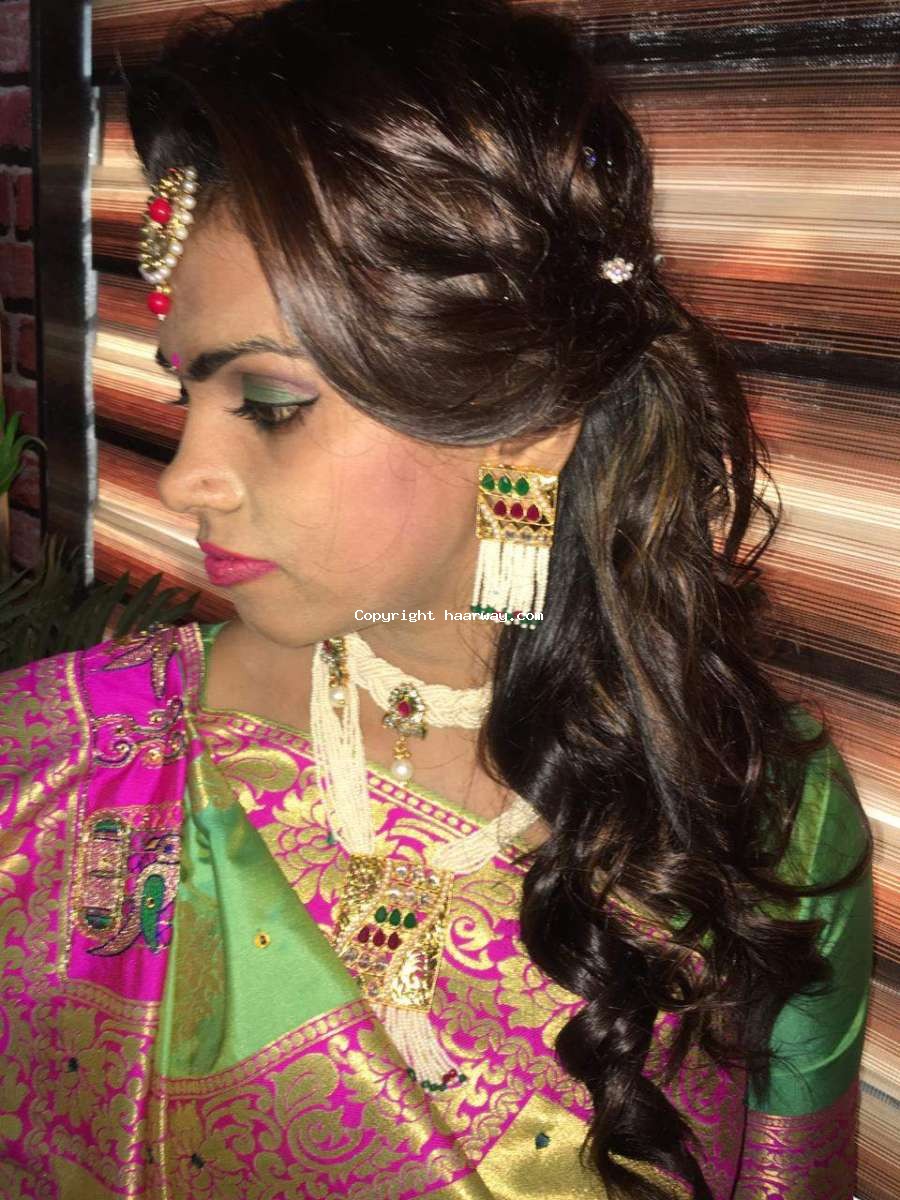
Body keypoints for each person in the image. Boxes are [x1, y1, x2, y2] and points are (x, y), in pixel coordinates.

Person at [0, 1, 874, 1197]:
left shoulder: (754, 806)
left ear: (526, 428)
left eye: (269, 403)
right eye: (184, 395)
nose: (189, 474)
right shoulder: (53, 777)